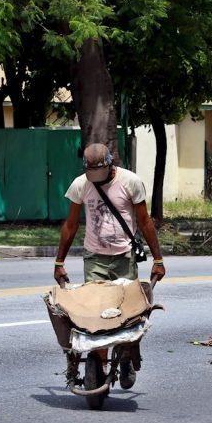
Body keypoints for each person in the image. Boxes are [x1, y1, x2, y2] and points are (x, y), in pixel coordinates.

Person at [54, 143, 165, 389]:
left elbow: (145, 222)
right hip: (94, 258)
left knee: (128, 314)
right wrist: (59, 262)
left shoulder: (131, 182)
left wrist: (158, 259)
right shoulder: (81, 184)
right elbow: (71, 225)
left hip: (124, 256)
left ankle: (126, 358)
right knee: (95, 316)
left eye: (99, 174)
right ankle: (99, 361)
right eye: (90, 173)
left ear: (110, 164)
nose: (95, 179)